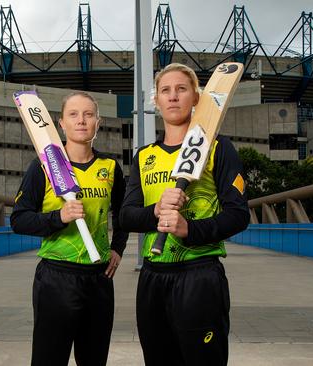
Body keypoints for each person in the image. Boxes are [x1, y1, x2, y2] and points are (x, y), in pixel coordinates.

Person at [120, 63, 250, 366]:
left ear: (196, 98)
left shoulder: (219, 149)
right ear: (156, 101)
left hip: (200, 275)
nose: (173, 96)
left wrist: (188, 229)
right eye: (165, 90)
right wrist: (155, 212)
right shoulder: (144, 156)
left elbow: (238, 214)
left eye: (181, 89)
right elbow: (126, 216)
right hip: (153, 276)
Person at [10, 91, 128, 366]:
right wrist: (58, 217)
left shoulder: (110, 167)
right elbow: (19, 220)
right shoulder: (42, 167)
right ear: (60, 123)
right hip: (56, 278)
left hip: (99, 280)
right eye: (73, 114)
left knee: (94, 359)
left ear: (98, 122)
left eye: (89, 114)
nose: (82, 121)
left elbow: (122, 213)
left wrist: (118, 248)